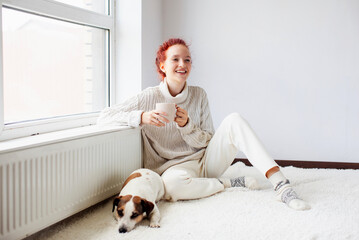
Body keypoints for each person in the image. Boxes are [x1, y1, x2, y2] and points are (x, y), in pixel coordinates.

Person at [97, 38, 310, 211]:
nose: (182, 65)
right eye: (175, 59)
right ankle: (227, 184)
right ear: (162, 65)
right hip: (171, 169)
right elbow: (104, 116)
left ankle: (282, 186)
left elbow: (209, 137)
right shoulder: (147, 97)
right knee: (171, 187)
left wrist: (187, 125)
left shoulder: (199, 95)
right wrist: (141, 117)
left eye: (187, 60)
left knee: (234, 119)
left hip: (206, 161)